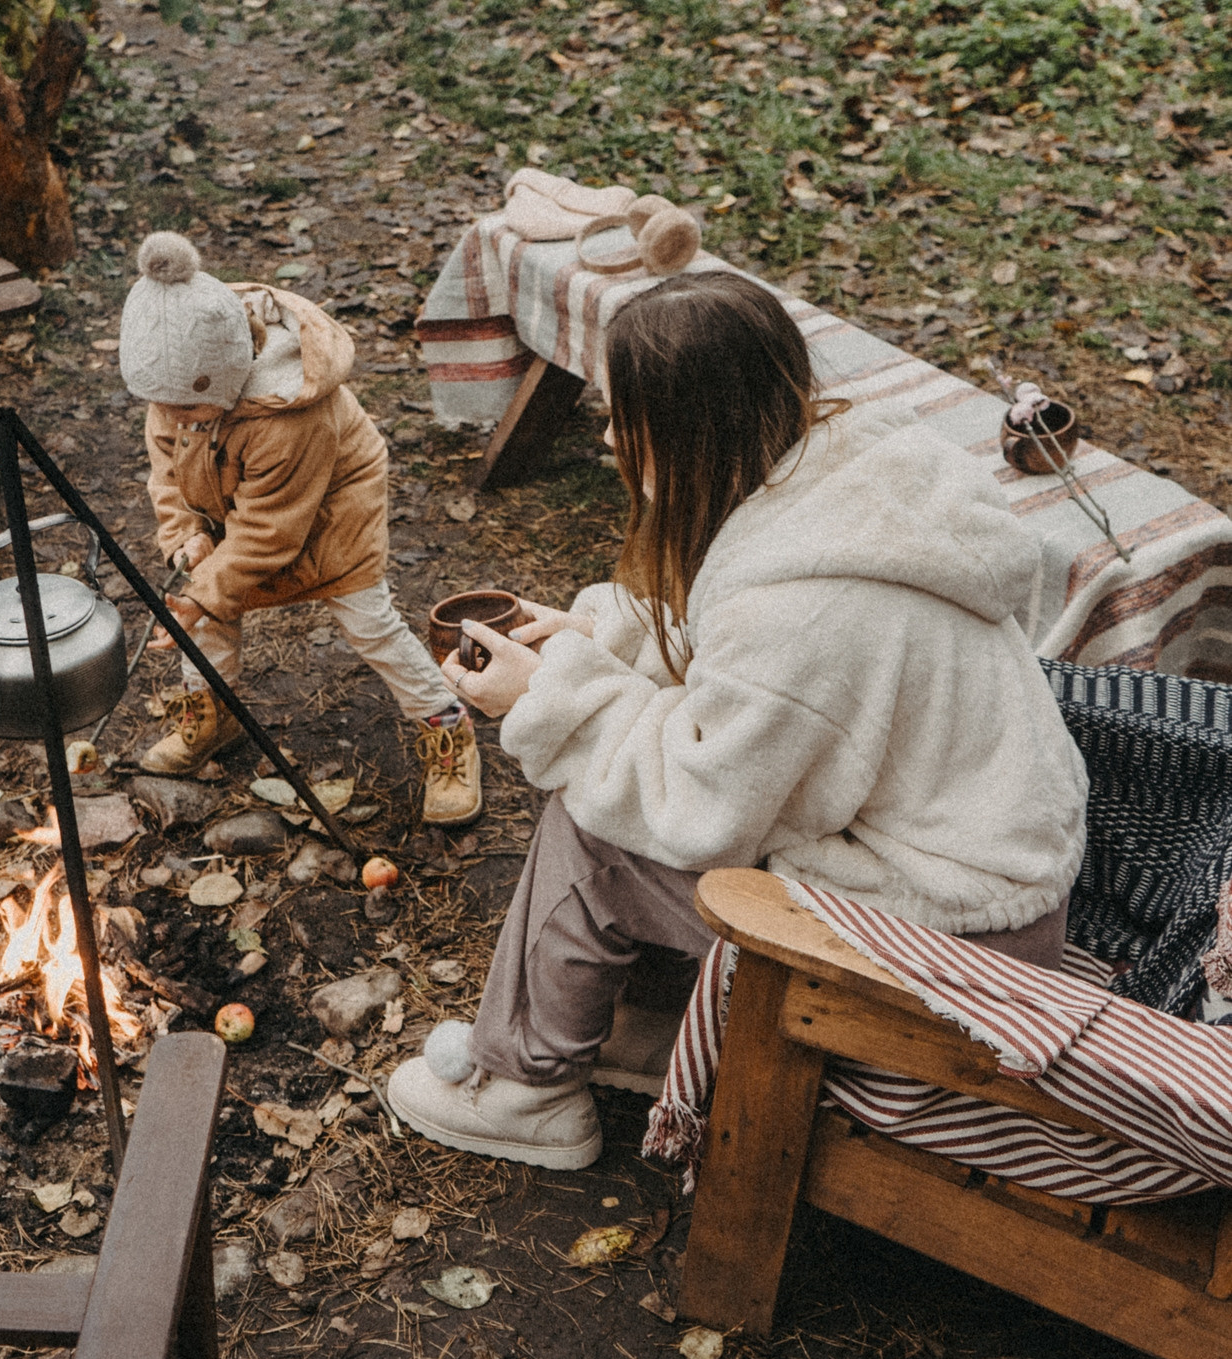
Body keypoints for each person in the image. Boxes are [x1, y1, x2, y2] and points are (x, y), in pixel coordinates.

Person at [385, 270, 1090, 1167]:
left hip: (950, 938)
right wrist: (596, 634)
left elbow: (700, 807)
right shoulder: (857, 478)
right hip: (992, 873)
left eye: (618, 416)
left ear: (685, 429)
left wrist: (545, 695)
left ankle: (527, 1089)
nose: (604, 436)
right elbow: (755, 680)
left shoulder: (808, 610)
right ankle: (645, 1035)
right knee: (616, 771)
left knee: (595, 830)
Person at [117, 231, 482, 826]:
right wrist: (186, 533)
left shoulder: (287, 415)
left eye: (186, 410)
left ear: (229, 379)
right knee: (205, 605)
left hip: (333, 509)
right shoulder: (178, 391)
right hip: (241, 500)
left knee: (368, 623)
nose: (172, 419)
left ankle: (446, 727)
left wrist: (201, 592)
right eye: (166, 408)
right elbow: (167, 471)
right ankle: (215, 710)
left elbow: (270, 533)